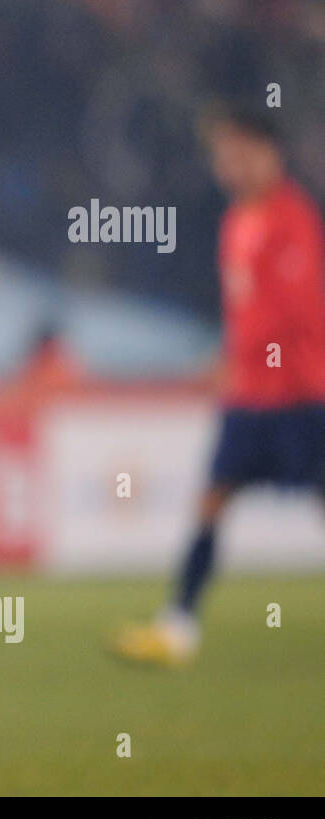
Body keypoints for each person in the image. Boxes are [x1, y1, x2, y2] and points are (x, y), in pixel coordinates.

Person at [113, 105, 325, 667]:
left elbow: (293, 311)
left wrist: (233, 354)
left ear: (268, 152)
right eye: (222, 155)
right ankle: (179, 624)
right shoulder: (237, 221)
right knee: (212, 499)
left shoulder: (292, 218)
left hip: (300, 394)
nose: (228, 165)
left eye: (238, 153)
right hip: (251, 397)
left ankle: (179, 620)